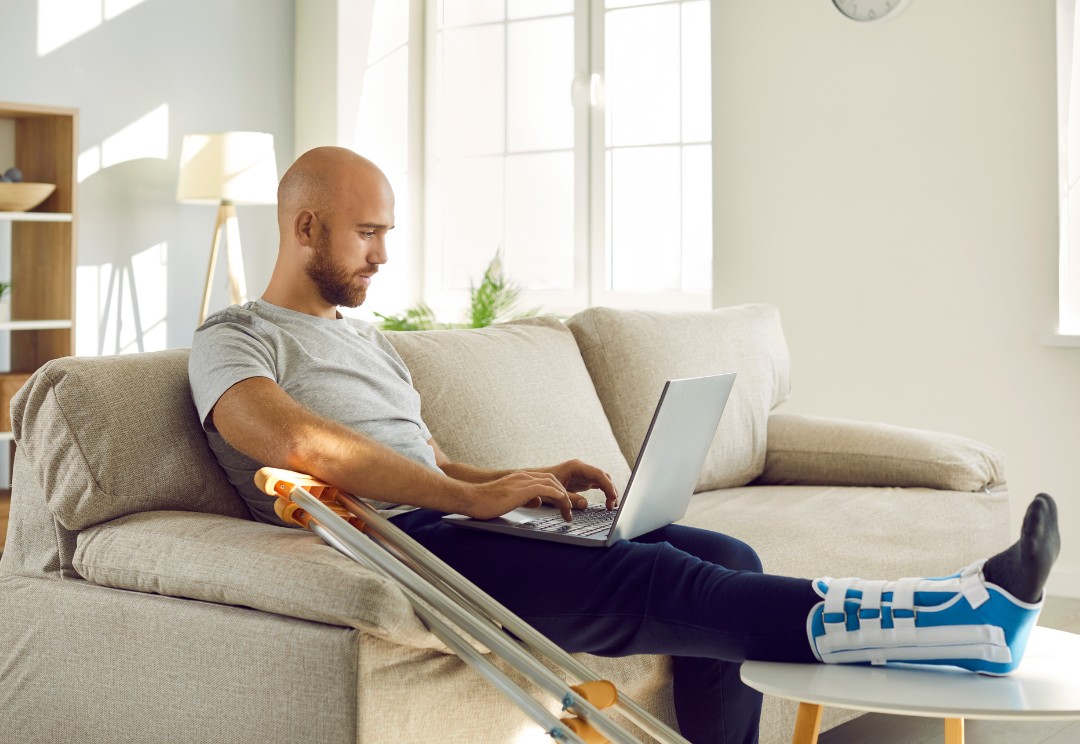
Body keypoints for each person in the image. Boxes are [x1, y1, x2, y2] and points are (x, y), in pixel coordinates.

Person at [189, 147, 1061, 744]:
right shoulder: (234, 336)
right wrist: (467, 500)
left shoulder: (366, 340)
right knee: (660, 579)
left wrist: (514, 480)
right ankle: (953, 619)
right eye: (366, 232)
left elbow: (431, 454)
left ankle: (936, 623)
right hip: (405, 545)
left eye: (385, 232)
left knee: (725, 548)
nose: (382, 253)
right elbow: (286, 438)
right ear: (305, 228)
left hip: (451, 520)